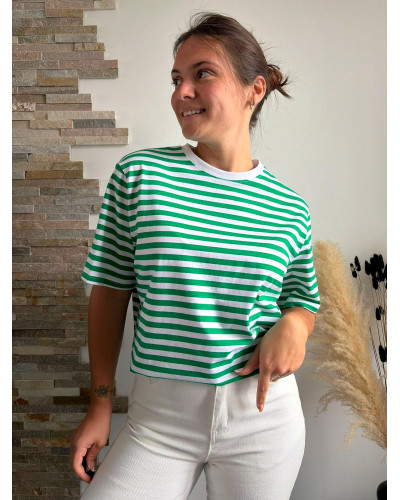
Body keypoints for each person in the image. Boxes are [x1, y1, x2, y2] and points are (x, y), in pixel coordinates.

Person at [69, 11, 321, 500]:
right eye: (176, 79)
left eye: (202, 74)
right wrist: (100, 404)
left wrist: (295, 325)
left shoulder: (289, 207)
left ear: (255, 89)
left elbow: (302, 299)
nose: (181, 92)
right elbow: (110, 290)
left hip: (263, 421)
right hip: (159, 420)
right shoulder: (141, 175)